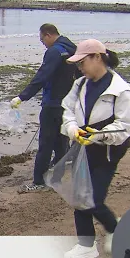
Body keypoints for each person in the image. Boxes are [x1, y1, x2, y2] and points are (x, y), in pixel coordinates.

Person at [60, 39, 130, 258]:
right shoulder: (79, 84)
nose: (80, 68)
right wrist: (72, 128)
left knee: (92, 198)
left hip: (107, 153)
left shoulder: (120, 90)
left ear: (97, 57)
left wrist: (98, 135)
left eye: (82, 62)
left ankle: (114, 227)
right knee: (79, 197)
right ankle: (86, 245)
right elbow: (67, 109)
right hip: (81, 149)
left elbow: (125, 126)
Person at [10, 24, 79, 193]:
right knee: (62, 143)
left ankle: (39, 182)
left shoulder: (54, 52)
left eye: (42, 40)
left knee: (45, 145)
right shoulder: (71, 48)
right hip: (67, 105)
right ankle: (55, 180)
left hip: (52, 105)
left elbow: (42, 76)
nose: (43, 44)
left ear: (48, 35)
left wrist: (22, 96)